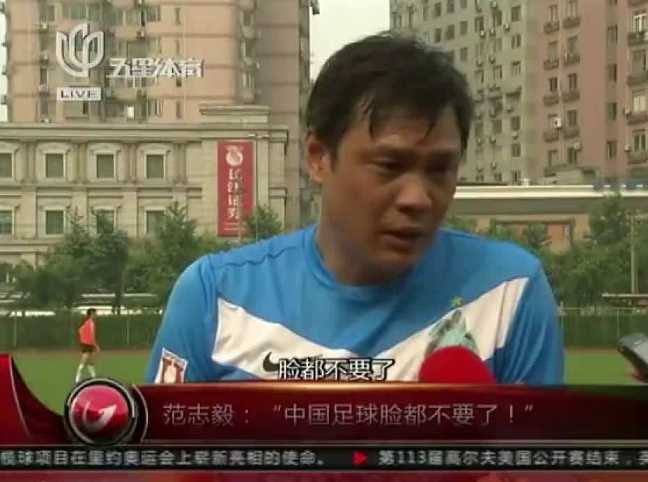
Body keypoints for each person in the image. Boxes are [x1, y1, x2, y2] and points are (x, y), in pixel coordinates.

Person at [145, 33, 563, 385]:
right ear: (318, 157)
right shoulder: (215, 296)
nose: (417, 198)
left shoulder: (508, 293)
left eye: (440, 169)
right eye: (389, 166)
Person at [75, 308, 99, 383]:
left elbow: (80, 330)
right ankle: (77, 378)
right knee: (84, 360)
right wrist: (95, 345)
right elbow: (92, 335)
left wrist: (83, 337)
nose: (96, 315)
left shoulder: (87, 322)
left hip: (87, 343)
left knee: (90, 361)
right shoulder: (90, 323)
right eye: (95, 313)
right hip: (87, 344)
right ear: (91, 314)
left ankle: (93, 377)